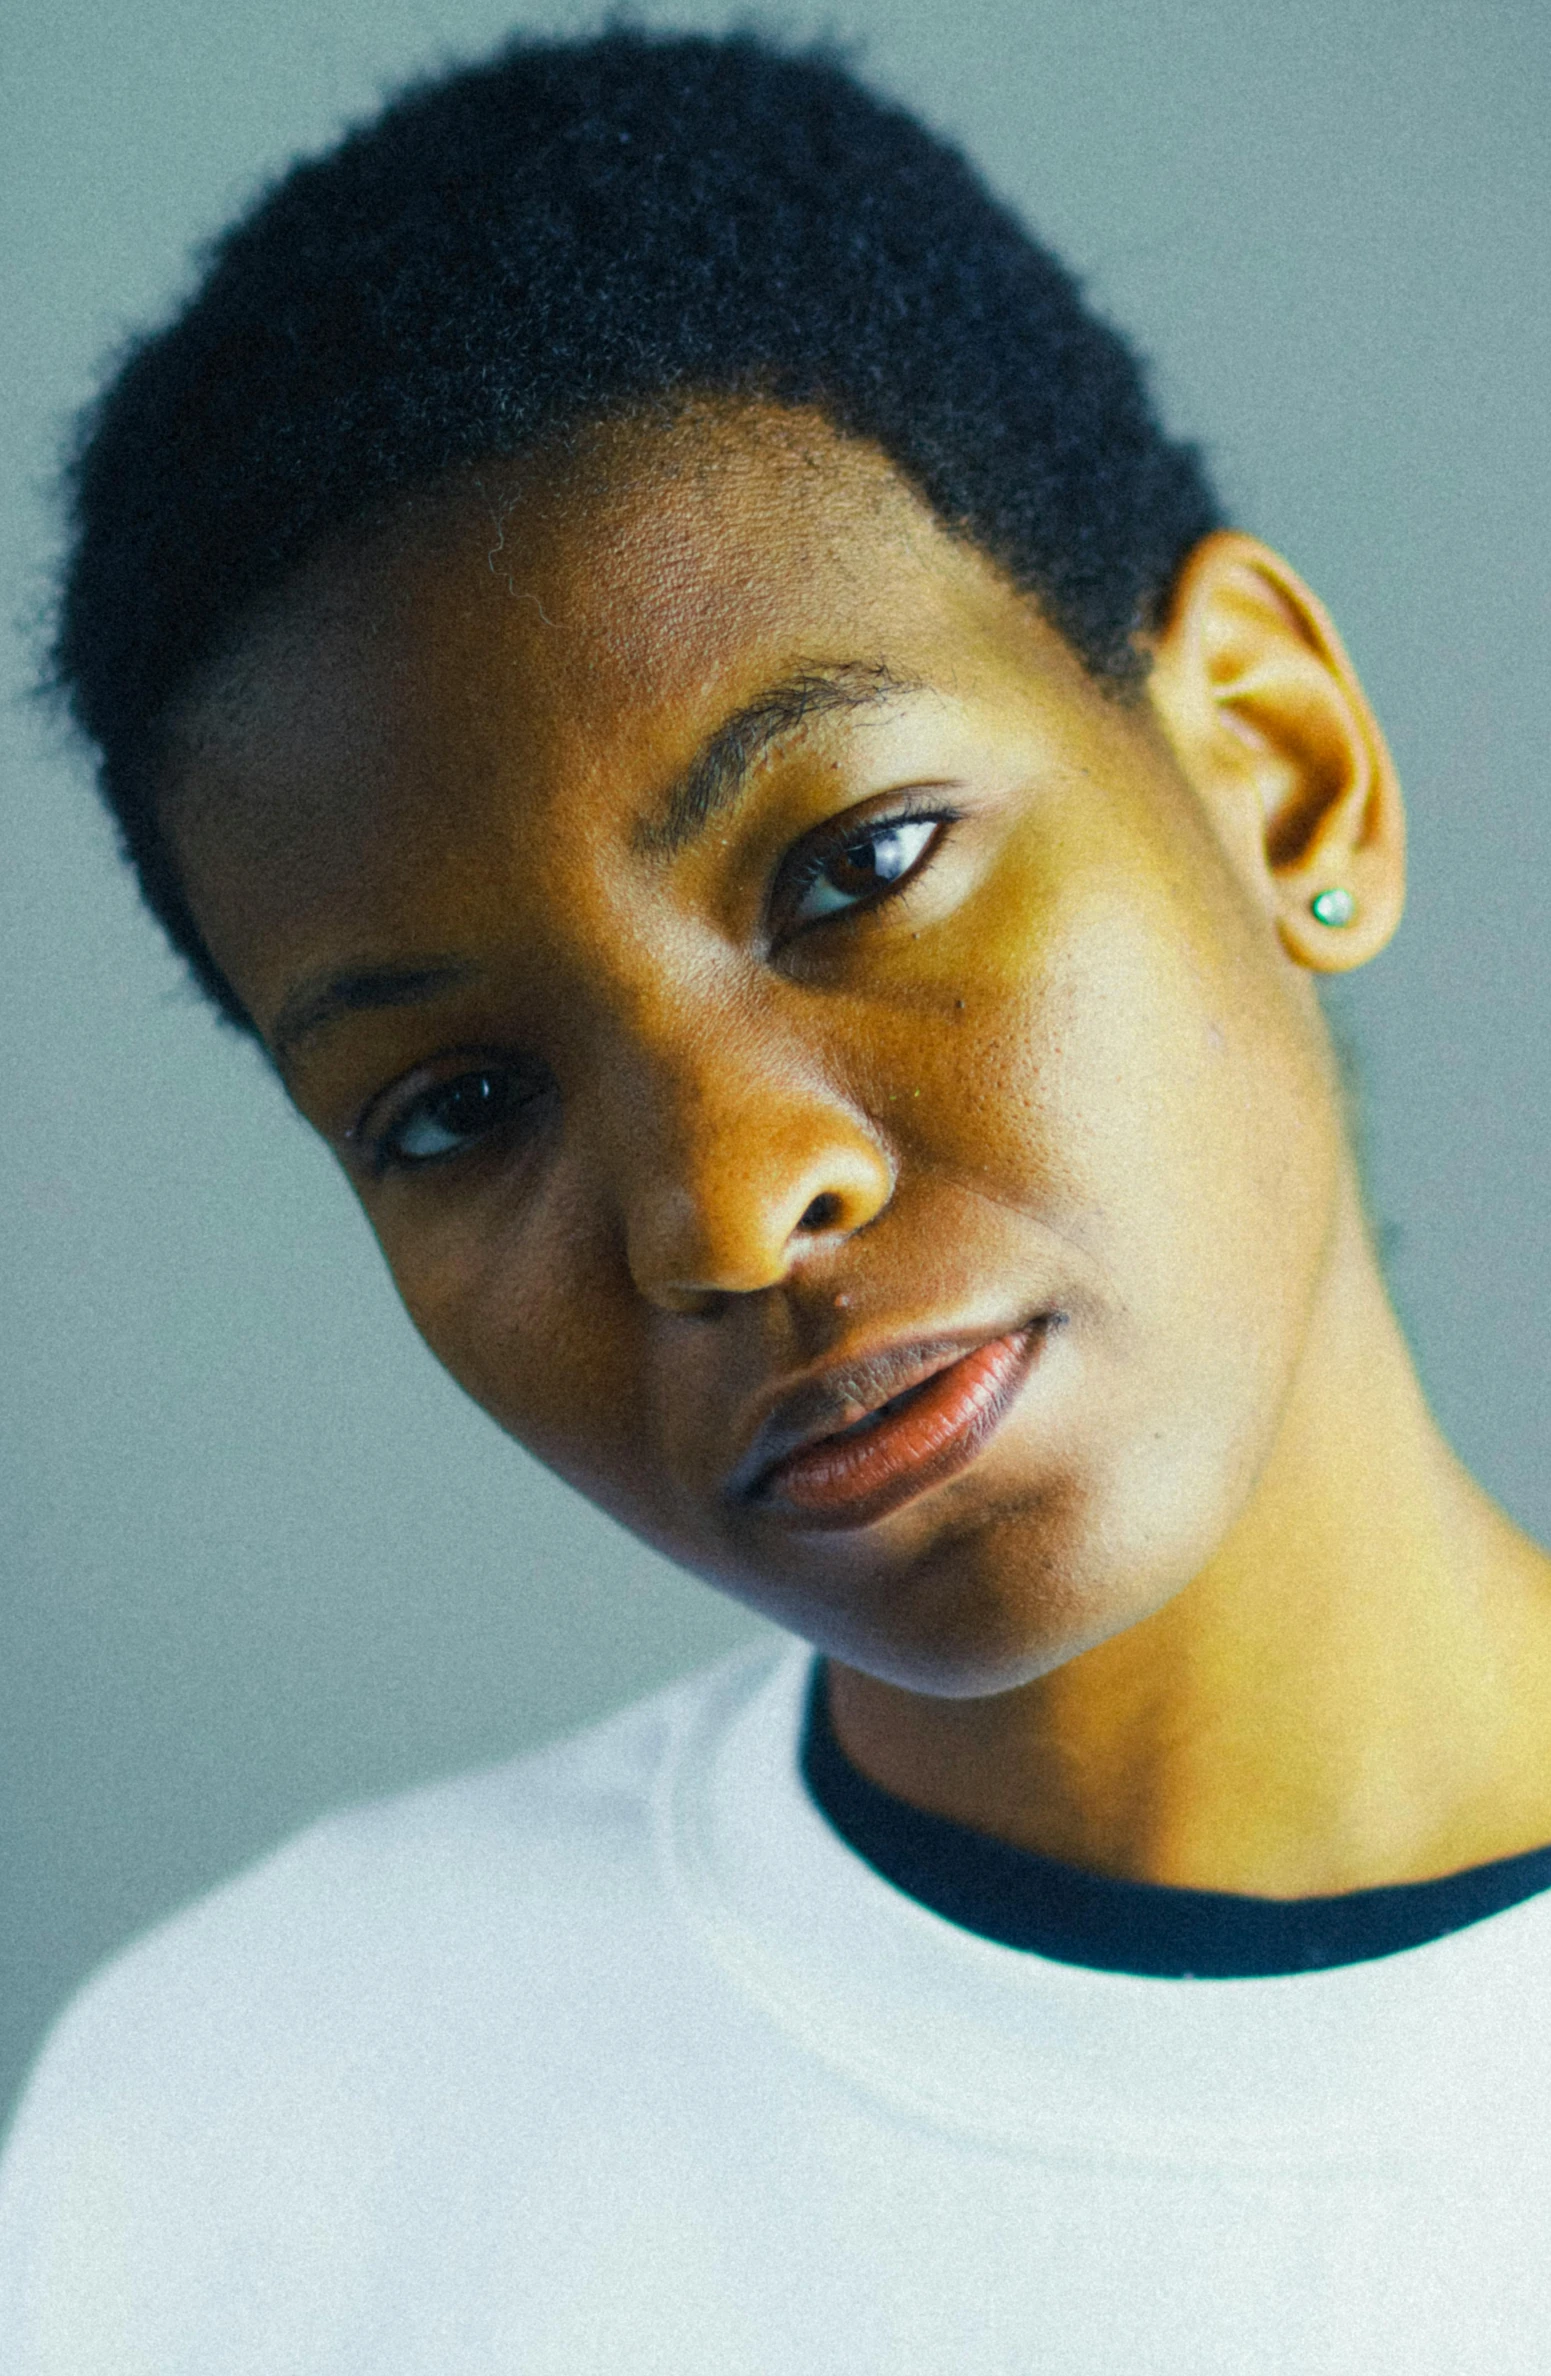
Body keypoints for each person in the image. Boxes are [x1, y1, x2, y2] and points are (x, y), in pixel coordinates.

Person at [3, 25, 1549, 2371]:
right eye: (454, 1105)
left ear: (1277, 771)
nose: (723, 1210)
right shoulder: (249, 2126)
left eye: (857, 866)